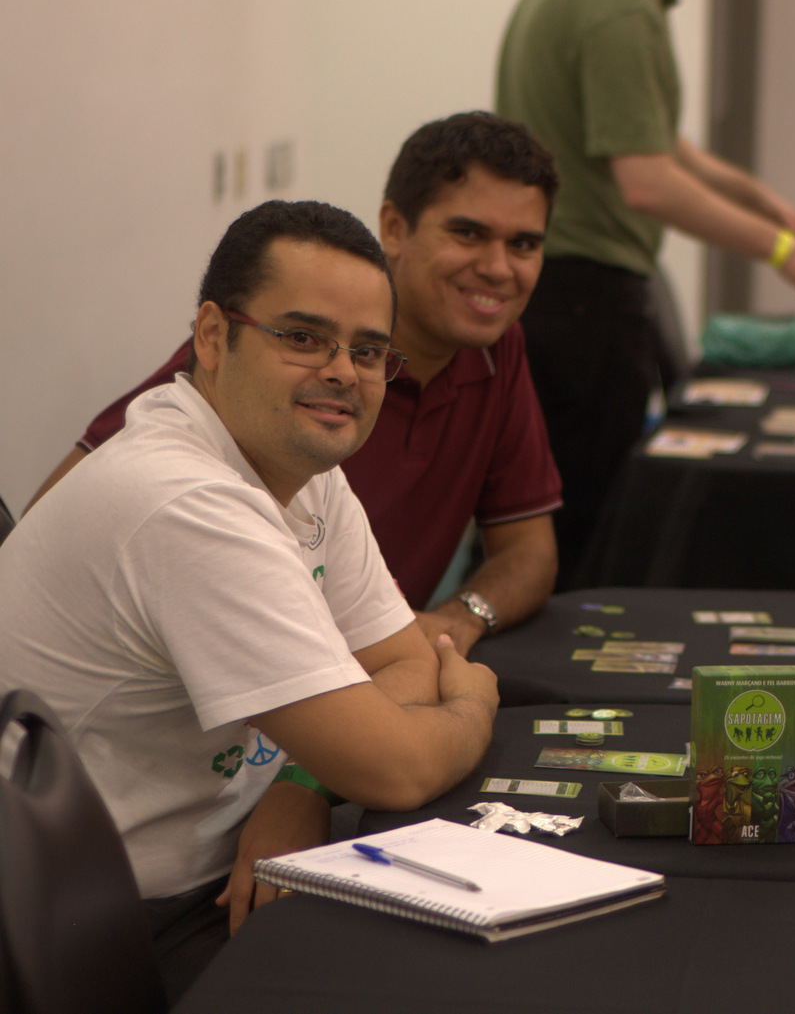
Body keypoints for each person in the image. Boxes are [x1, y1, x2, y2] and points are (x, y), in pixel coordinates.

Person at [0, 200, 501, 1000]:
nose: (343, 371)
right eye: (302, 337)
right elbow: (398, 764)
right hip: (100, 921)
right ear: (211, 336)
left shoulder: (298, 466)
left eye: (368, 350)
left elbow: (402, 660)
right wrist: (474, 701)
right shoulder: (185, 502)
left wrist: (301, 784)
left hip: (217, 857)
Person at [29, 112, 562, 654]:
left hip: (363, 665)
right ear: (395, 228)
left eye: (523, 244)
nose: (498, 268)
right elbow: (53, 528)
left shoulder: (494, 348)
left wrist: (459, 619)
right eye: (468, 234)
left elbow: (530, 549)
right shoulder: (243, 360)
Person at [495, 0, 795, 585]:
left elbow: (652, 137)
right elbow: (648, 182)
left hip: (566, 291)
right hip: (583, 300)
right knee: (581, 533)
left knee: (555, 516)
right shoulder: (619, 3)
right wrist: (782, 252)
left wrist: (759, 200)